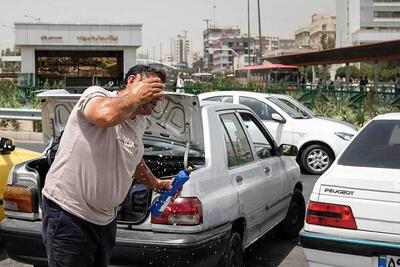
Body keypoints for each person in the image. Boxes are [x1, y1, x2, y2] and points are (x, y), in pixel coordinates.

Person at [41, 65, 172, 267]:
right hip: (69, 214)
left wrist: (155, 183)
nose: (158, 96)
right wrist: (137, 96)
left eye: (159, 90)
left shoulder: (139, 122)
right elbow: (105, 116)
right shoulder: (96, 95)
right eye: (152, 87)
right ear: (132, 81)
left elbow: (132, 157)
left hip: (105, 220)